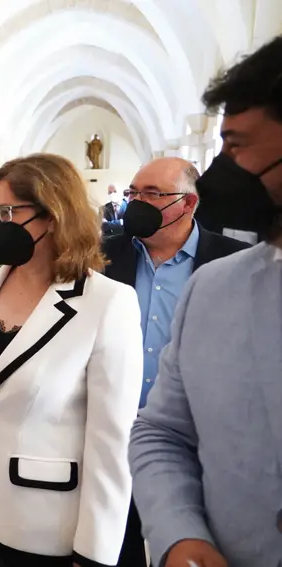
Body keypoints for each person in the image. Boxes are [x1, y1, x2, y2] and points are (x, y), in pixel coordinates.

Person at [0, 153, 143, 567]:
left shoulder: (106, 302)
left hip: (37, 515)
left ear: (53, 215)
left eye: (9, 211)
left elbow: (111, 437)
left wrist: (95, 549)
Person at [129, 35, 282, 567]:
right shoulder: (219, 287)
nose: (225, 169)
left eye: (237, 146)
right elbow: (163, 430)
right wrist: (180, 535)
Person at [103, 157, 249, 566]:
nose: (137, 202)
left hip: (193, 443)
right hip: (109, 433)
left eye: (153, 194)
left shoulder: (232, 264)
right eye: (133, 193)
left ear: (188, 204)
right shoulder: (100, 258)